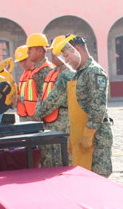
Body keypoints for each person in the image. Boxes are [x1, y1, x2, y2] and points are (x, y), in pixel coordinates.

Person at [53, 34, 113, 177]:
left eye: (67, 56)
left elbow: (98, 105)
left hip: (96, 136)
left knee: (98, 178)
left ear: (77, 49)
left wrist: (88, 133)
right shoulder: (79, 73)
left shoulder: (93, 71)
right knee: (84, 178)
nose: (66, 61)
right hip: (80, 134)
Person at [34, 35, 75, 168]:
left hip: (62, 124)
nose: (53, 55)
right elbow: (42, 95)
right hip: (50, 123)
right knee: (49, 161)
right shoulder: (53, 72)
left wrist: (38, 112)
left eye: (56, 52)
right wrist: (38, 111)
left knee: (61, 161)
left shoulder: (67, 74)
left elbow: (54, 99)